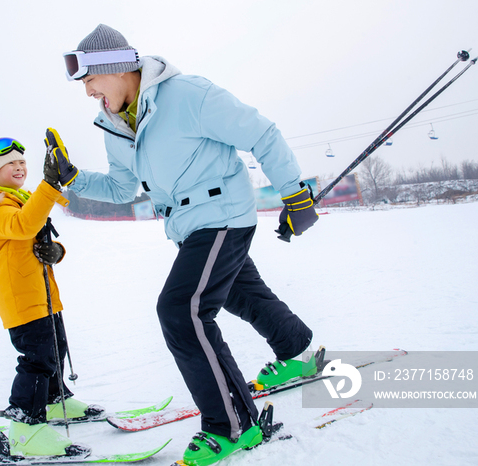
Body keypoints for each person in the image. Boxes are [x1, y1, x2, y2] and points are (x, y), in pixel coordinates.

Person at [51, 24, 320, 465]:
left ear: (114, 68)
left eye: (90, 81)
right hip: (187, 228)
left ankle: (231, 425)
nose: (88, 93)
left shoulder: (187, 94)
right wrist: (73, 178)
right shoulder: (115, 124)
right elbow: (122, 189)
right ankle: (296, 349)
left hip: (223, 217)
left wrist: (294, 193)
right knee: (238, 292)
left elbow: (261, 133)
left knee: (181, 310)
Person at [0, 137, 97, 459]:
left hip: (41, 292)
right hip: (20, 296)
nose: (19, 167)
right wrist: (49, 185)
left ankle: (55, 399)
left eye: (22, 163)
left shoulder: (21, 199)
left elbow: (32, 240)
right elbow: (21, 227)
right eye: (10, 164)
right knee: (38, 358)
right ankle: (25, 428)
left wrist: (56, 252)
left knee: (55, 348)